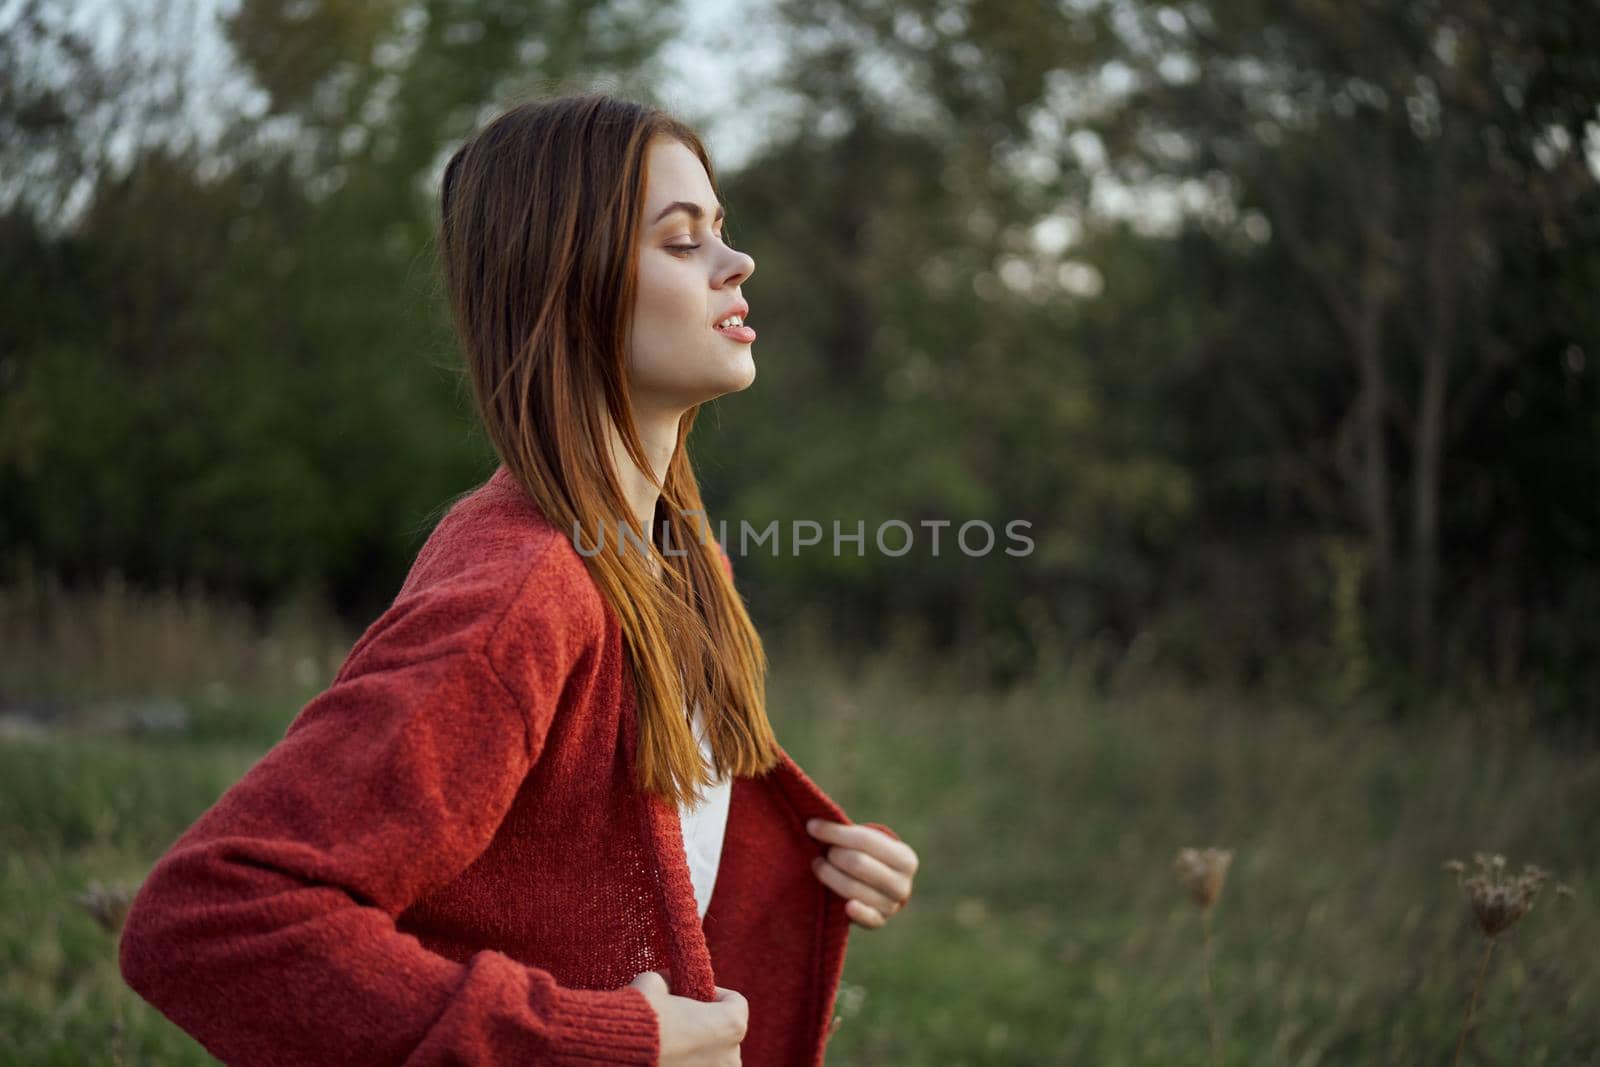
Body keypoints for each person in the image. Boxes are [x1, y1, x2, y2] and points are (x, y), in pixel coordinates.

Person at [118, 90, 919, 1066]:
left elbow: (613, 846)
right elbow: (214, 921)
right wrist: (591, 1040)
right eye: (680, 241)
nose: (736, 261)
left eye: (722, 230)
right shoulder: (526, 585)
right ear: (566, 283)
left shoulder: (678, 553)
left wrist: (800, 868)